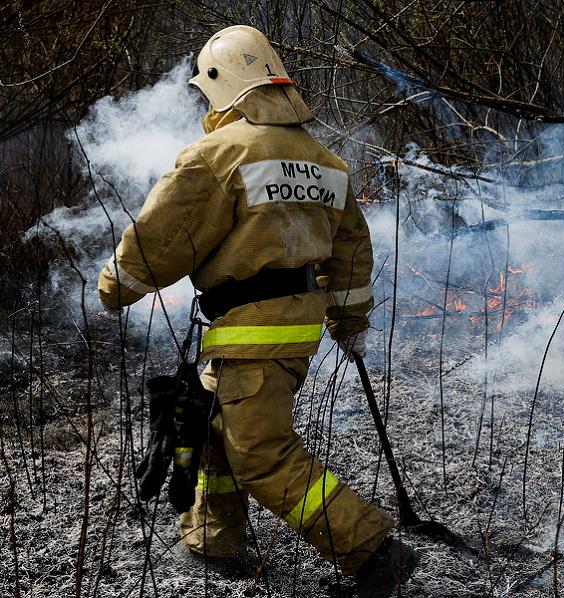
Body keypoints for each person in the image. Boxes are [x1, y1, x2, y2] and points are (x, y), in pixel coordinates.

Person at [97, 25, 417, 597]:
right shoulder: (328, 161)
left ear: (223, 83)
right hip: (293, 329)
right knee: (220, 430)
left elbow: (165, 235)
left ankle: (372, 550)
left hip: (249, 327)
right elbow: (350, 252)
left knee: (262, 457)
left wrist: (115, 285)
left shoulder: (220, 155)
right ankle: (214, 544)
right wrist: (349, 323)